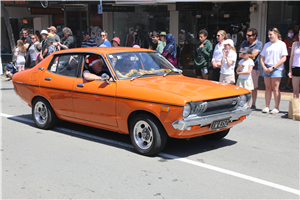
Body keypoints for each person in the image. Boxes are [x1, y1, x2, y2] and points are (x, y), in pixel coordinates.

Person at [260, 28, 288, 114]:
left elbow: (284, 58)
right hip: (267, 67)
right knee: (267, 88)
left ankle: (276, 107)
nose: (269, 36)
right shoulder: (267, 45)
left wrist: (273, 67)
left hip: (276, 68)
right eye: (268, 34)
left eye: (271, 34)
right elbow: (262, 57)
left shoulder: (281, 44)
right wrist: (264, 67)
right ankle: (267, 106)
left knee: (275, 88)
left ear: (276, 34)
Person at [240, 28, 263, 110]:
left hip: (254, 68)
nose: (247, 37)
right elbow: (240, 54)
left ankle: (253, 104)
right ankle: (244, 104)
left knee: (253, 87)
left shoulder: (259, 43)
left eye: (249, 35)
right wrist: (250, 54)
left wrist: (245, 54)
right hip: (243, 68)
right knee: (243, 87)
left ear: (254, 36)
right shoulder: (244, 42)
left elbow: (254, 56)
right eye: (246, 35)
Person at [288, 31, 300, 98]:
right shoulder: (295, 44)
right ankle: (296, 107)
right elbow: (291, 57)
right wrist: (290, 70)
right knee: (295, 90)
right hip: (296, 67)